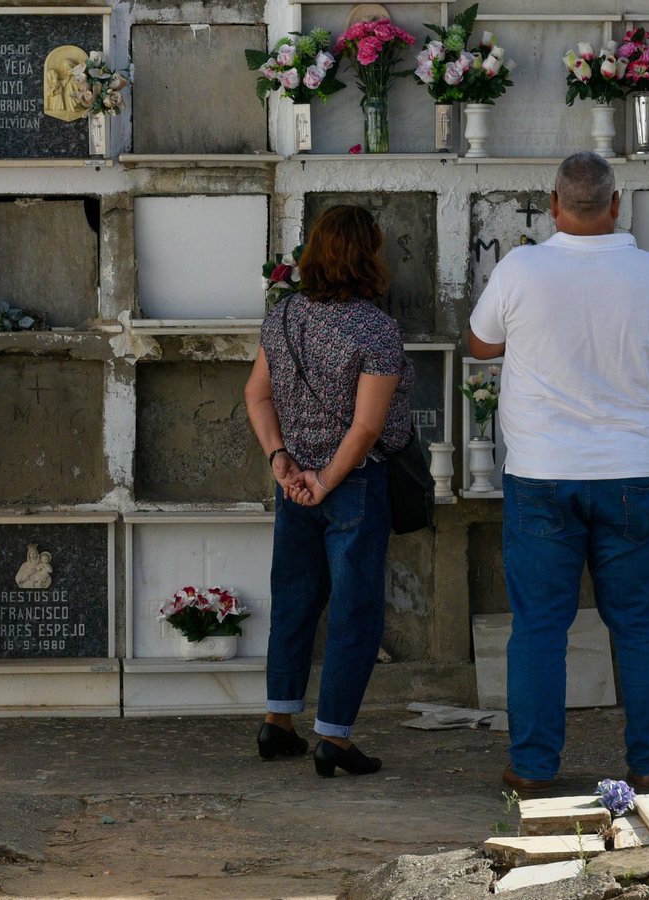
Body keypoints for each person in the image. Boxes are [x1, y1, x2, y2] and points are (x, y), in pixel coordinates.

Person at [468, 152, 649, 794]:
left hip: (542, 474)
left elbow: (481, 344)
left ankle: (533, 770)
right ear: (615, 204)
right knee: (643, 625)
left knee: (539, 627)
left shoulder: (519, 269)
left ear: (554, 205)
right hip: (633, 474)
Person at [244, 205, 416, 778]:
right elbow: (366, 427)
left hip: (293, 485)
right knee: (353, 610)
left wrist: (282, 461)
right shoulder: (376, 329)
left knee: (294, 601)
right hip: (351, 484)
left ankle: (277, 722)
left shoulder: (283, 316)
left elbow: (256, 395)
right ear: (368, 257)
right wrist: (323, 480)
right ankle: (334, 739)